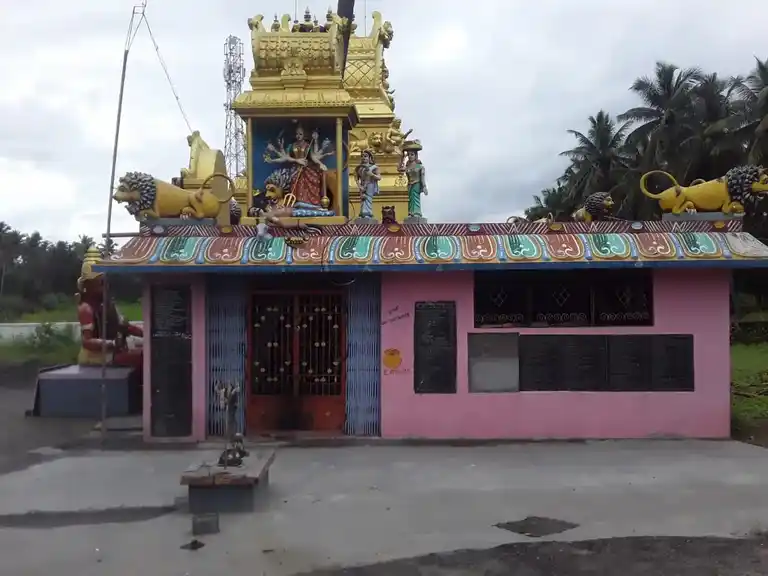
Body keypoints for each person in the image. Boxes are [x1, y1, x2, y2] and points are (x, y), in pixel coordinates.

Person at [76, 247, 143, 371]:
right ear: (88, 284)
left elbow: (124, 326)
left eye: (104, 281)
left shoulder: (108, 304)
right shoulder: (86, 308)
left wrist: (146, 333)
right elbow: (87, 342)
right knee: (141, 357)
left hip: (112, 352)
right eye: (100, 282)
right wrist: (112, 343)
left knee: (145, 352)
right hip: (96, 357)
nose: (104, 285)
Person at [399, 140, 428, 218]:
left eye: (412, 154)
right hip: (409, 185)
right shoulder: (407, 167)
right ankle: (411, 212)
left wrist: (424, 186)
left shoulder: (420, 167)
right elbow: (399, 169)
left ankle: (417, 213)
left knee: (415, 198)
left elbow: (422, 177)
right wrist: (402, 157)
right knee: (410, 199)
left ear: (416, 156)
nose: (410, 156)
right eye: (409, 155)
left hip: (417, 184)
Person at [354, 149, 381, 219]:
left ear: (370, 158)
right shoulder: (360, 168)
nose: (363, 158)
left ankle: (368, 213)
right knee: (363, 199)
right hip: (362, 186)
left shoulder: (374, 167)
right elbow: (356, 177)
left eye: (365, 156)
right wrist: (359, 186)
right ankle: (362, 213)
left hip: (370, 185)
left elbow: (379, 177)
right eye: (362, 156)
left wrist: (371, 174)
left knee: (368, 199)